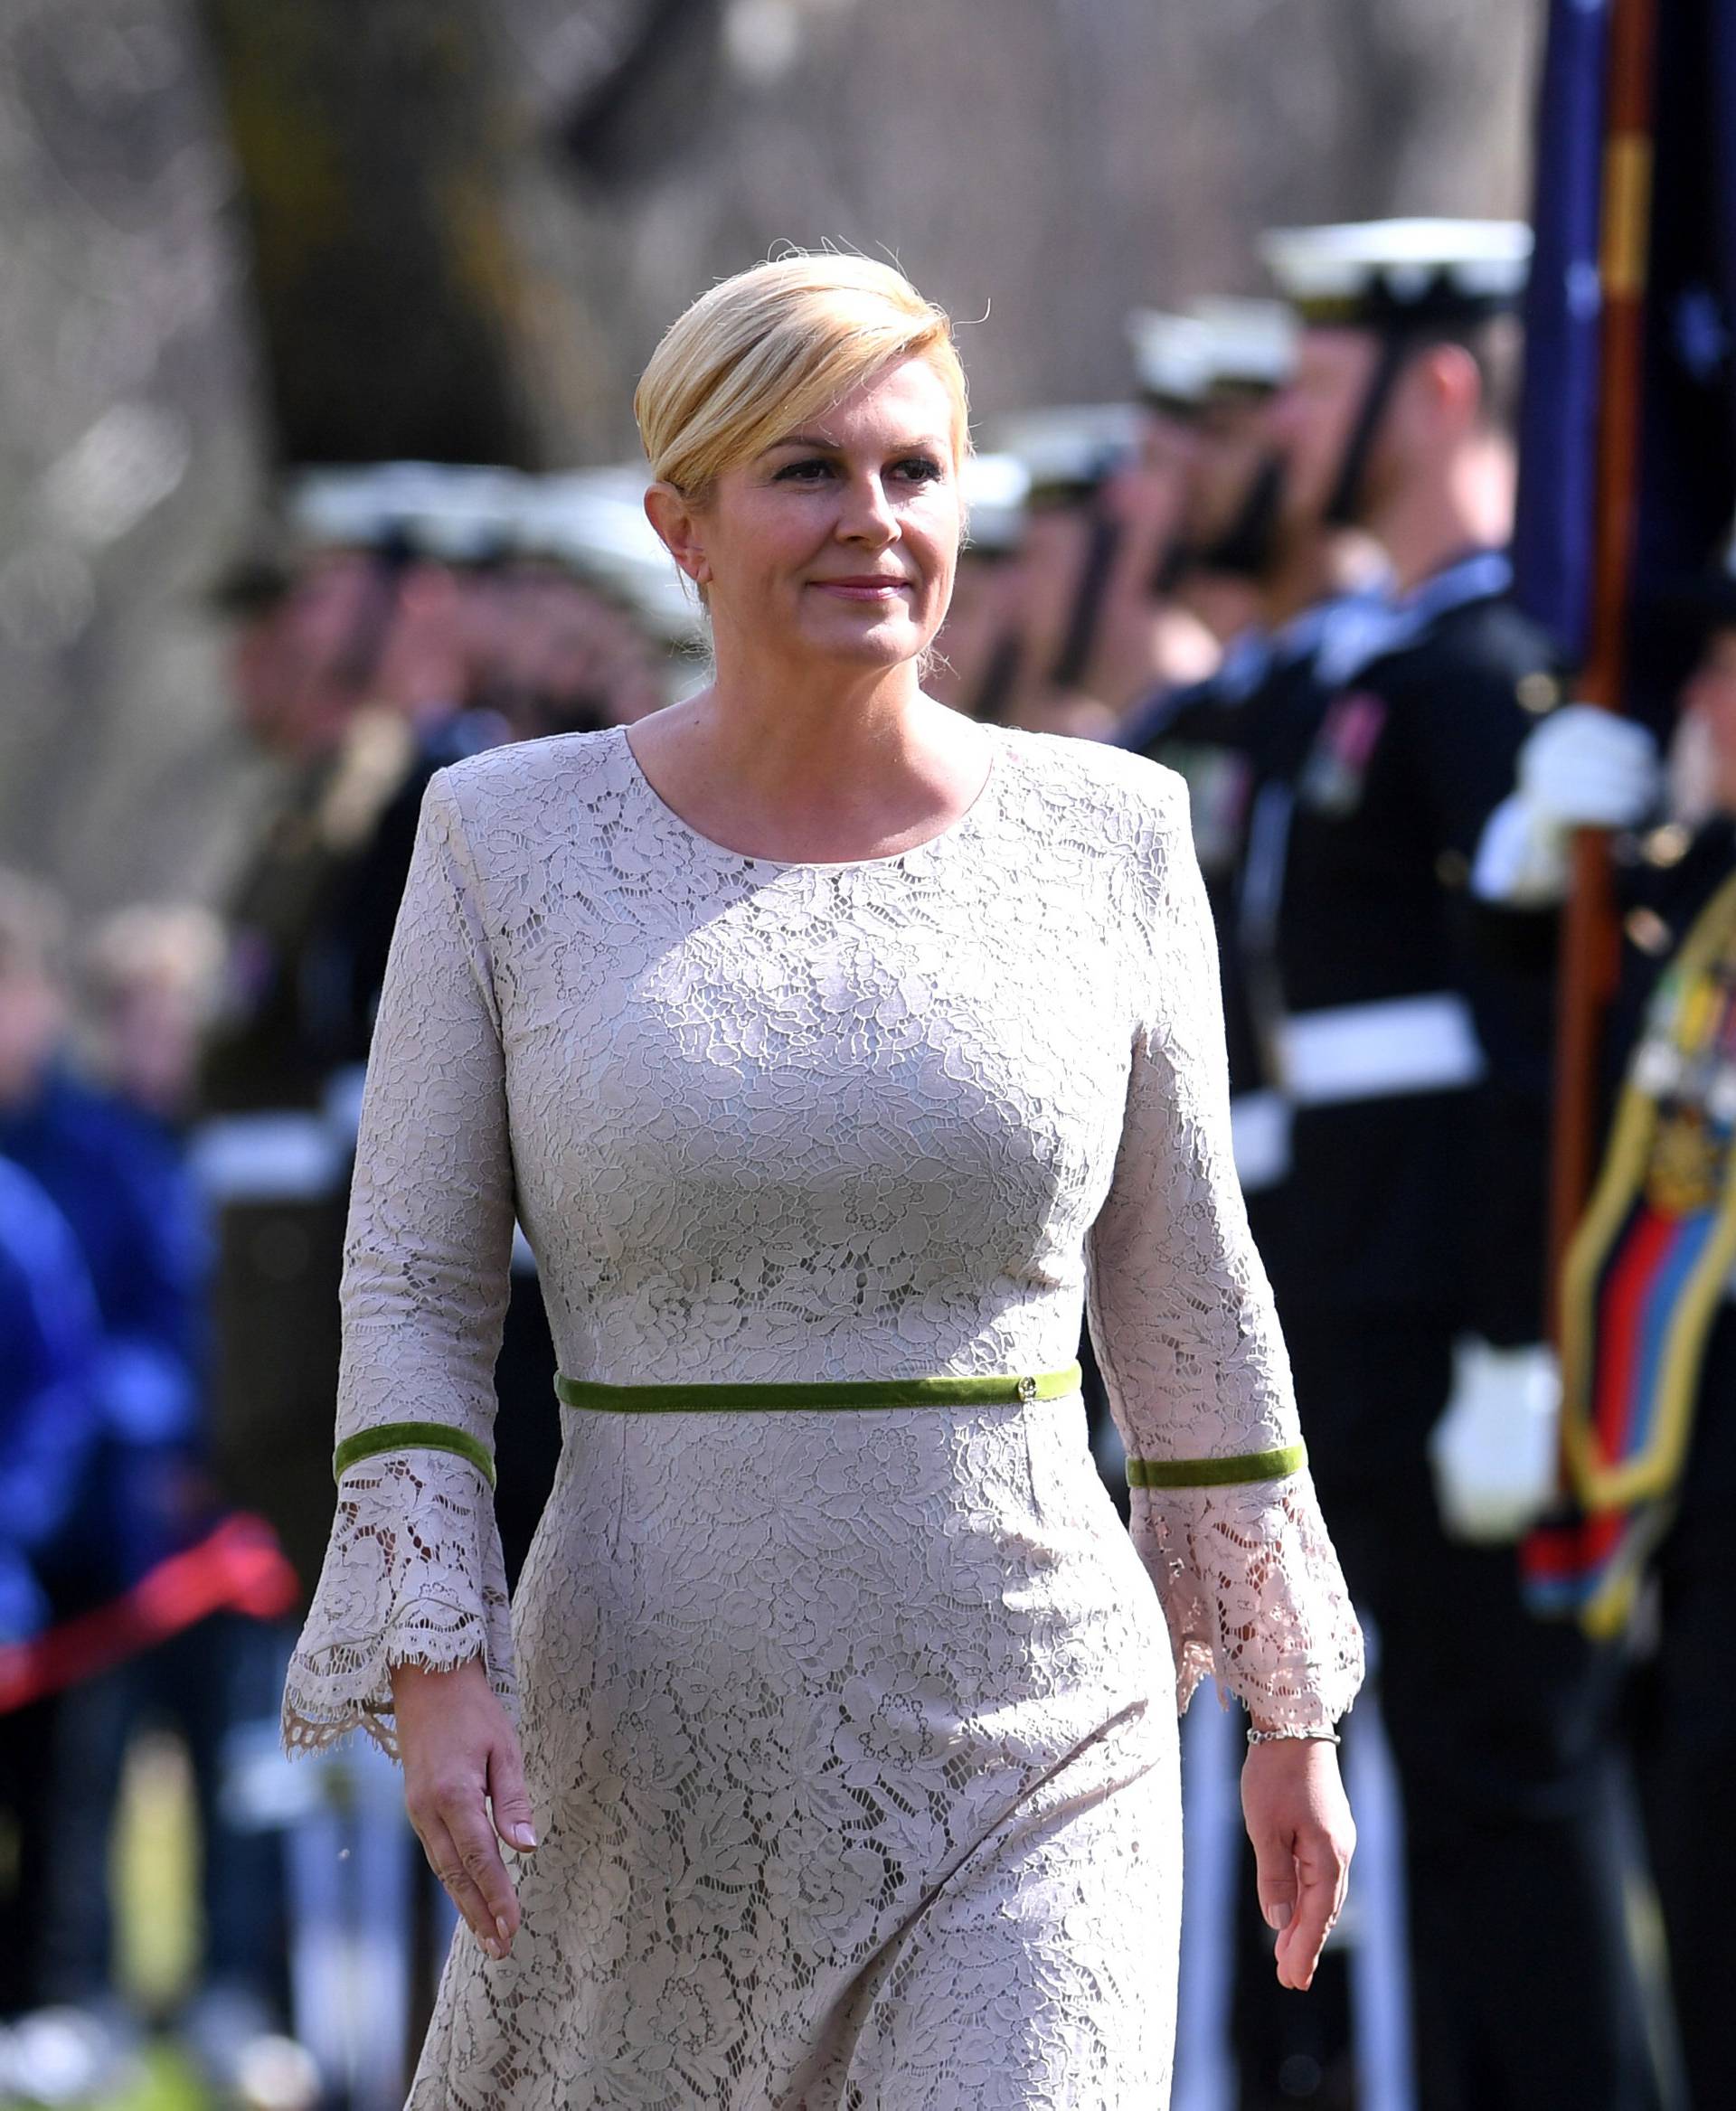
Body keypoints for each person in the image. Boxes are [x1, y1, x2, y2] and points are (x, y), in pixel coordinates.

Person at [280, 251, 1362, 2106]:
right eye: (806, 470)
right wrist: (433, 1650)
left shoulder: (1115, 833)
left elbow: (1186, 1286)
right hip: (646, 1736)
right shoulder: (499, 840)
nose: (873, 520)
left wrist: (1288, 1701)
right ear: (680, 524)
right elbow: (416, 1285)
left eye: (914, 471)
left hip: (1041, 1724)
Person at [1245, 219, 1656, 2107]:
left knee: (1508, 1777)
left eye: (1326, 378)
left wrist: (1521, 1329)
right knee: (1452, 1796)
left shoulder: (1487, 668)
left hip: (1455, 1316)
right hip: (1370, 1300)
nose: (1287, 417)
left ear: (1440, 386)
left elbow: (1540, 1042)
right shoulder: (1389, 668)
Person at [1477, 570, 1736, 2108]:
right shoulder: (1693, 891)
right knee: (1700, 1833)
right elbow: (1550, 1094)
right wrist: (1518, 901)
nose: (1704, 707)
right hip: (1699, 1464)